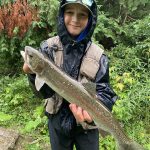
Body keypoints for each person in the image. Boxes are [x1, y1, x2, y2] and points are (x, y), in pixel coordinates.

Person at [23, 0, 117, 150]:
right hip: (57, 122)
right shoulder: (47, 48)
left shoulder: (100, 57)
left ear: (90, 20)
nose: (75, 19)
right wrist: (33, 74)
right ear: (61, 15)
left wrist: (94, 116)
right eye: (69, 12)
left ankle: (123, 142)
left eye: (82, 14)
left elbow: (104, 90)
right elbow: (43, 93)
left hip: (88, 128)